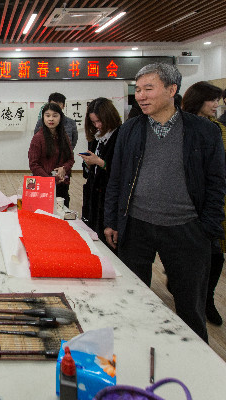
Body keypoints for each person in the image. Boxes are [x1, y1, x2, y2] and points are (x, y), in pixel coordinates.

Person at [104, 63, 226, 341]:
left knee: (190, 305)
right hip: (136, 226)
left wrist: (207, 229)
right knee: (132, 298)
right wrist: (112, 220)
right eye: (138, 90)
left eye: (148, 89)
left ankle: (194, 357)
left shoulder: (204, 131)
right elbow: (116, 179)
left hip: (187, 229)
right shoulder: (130, 129)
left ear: (172, 90)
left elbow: (216, 183)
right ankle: (135, 347)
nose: (141, 96)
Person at [181, 81, 226, 326]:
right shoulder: (181, 128)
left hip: (212, 199)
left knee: (215, 256)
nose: (216, 104)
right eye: (212, 100)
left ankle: (206, 299)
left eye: (218, 100)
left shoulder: (217, 129)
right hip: (185, 202)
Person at [79, 98, 122, 250]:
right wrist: (88, 163)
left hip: (109, 197)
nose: (97, 125)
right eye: (93, 122)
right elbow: (89, 173)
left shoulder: (120, 136)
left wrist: (99, 162)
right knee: (94, 239)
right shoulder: (97, 137)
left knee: (108, 243)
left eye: (99, 121)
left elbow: (121, 172)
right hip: (94, 196)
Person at [28, 102, 75, 207]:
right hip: (44, 185)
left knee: (62, 212)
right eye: (47, 115)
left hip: (62, 184)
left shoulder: (64, 136)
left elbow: (71, 159)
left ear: (60, 117)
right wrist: (50, 180)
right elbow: (33, 164)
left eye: (55, 115)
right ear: (43, 118)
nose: (51, 119)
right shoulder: (38, 138)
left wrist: (64, 168)